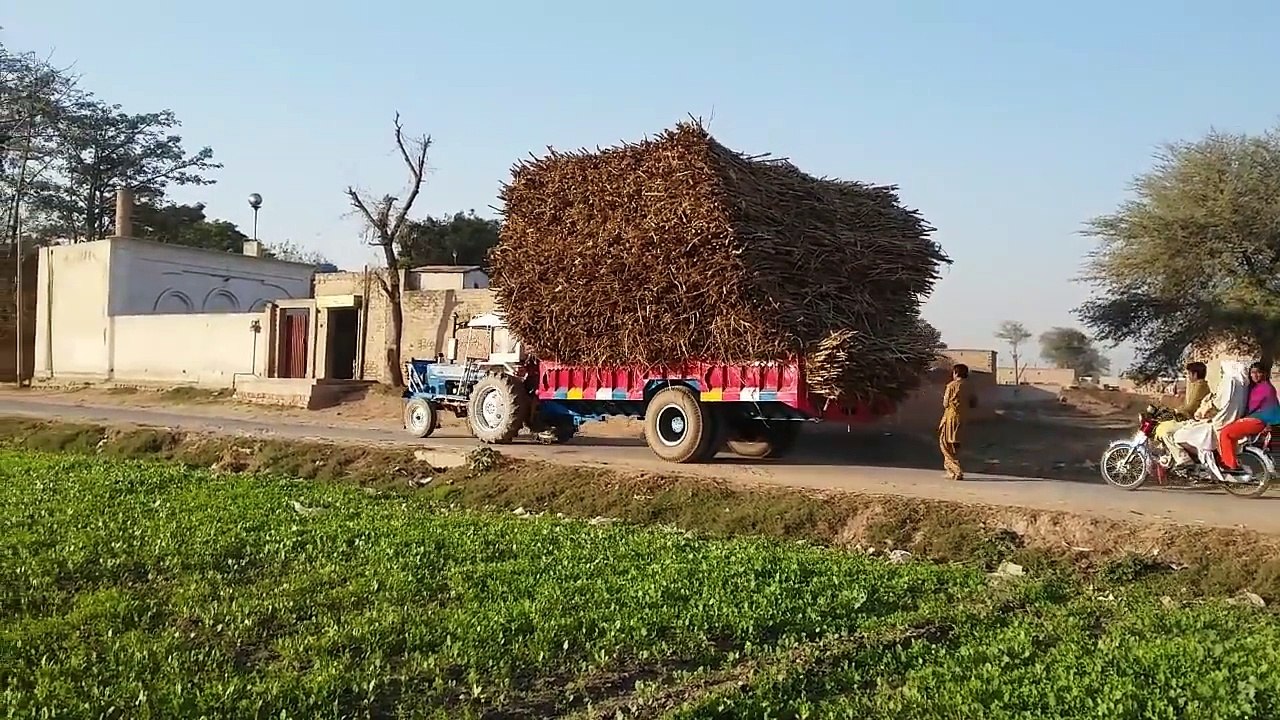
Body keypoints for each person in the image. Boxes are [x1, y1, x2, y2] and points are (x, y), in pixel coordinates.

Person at [1171, 360, 1249, 469]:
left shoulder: (1229, 383)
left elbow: (1217, 403)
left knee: (1180, 435)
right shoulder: (1241, 385)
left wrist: (1204, 411)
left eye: (1222, 371)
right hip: (1225, 419)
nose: (1221, 374)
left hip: (1219, 423)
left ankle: (1201, 464)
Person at [1218, 362, 1280, 473]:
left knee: (1225, 433)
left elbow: (1273, 409)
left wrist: (1269, 424)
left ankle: (1230, 465)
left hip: (1258, 421)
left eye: (1258, 373)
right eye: (1253, 373)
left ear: (1264, 374)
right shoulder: (1252, 387)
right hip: (1252, 419)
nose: (1255, 375)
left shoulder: (1267, 389)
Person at [1154, 362, 1211, 456]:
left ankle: (1181, 457)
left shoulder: (1200, 387)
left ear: (1195, 374)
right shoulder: (1197, 385)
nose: (1188, 376)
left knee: (1166, 432)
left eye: (1189, 373)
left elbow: (1191, 407)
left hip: (1193, 420)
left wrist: (1177, 410)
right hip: (1191, 417)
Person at [939, 363, 977, 481]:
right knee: (954, 445)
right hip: (963, 418)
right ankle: (951, 472)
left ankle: (956, 470)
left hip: (950, 417)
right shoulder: (970, 387)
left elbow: (945, 404)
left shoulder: (951, 386)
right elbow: (974, 403)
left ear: (956, 373)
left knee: (945, 444)